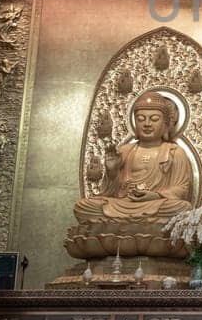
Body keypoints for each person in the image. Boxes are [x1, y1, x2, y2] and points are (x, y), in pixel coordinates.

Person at [73, 91, 194, 223]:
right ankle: (133, 223)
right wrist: (112, 172)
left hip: (156, 204)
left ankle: (121, 225)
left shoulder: (175, 152)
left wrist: (155, 196)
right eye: (141, 119)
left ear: (165, 123)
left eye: (154, 119)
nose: (147, 124)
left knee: (182, 208)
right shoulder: (124, 151)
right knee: (83, 206)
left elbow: (182, 189)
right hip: (123, 204)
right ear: (135, 122)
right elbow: (111, 192)